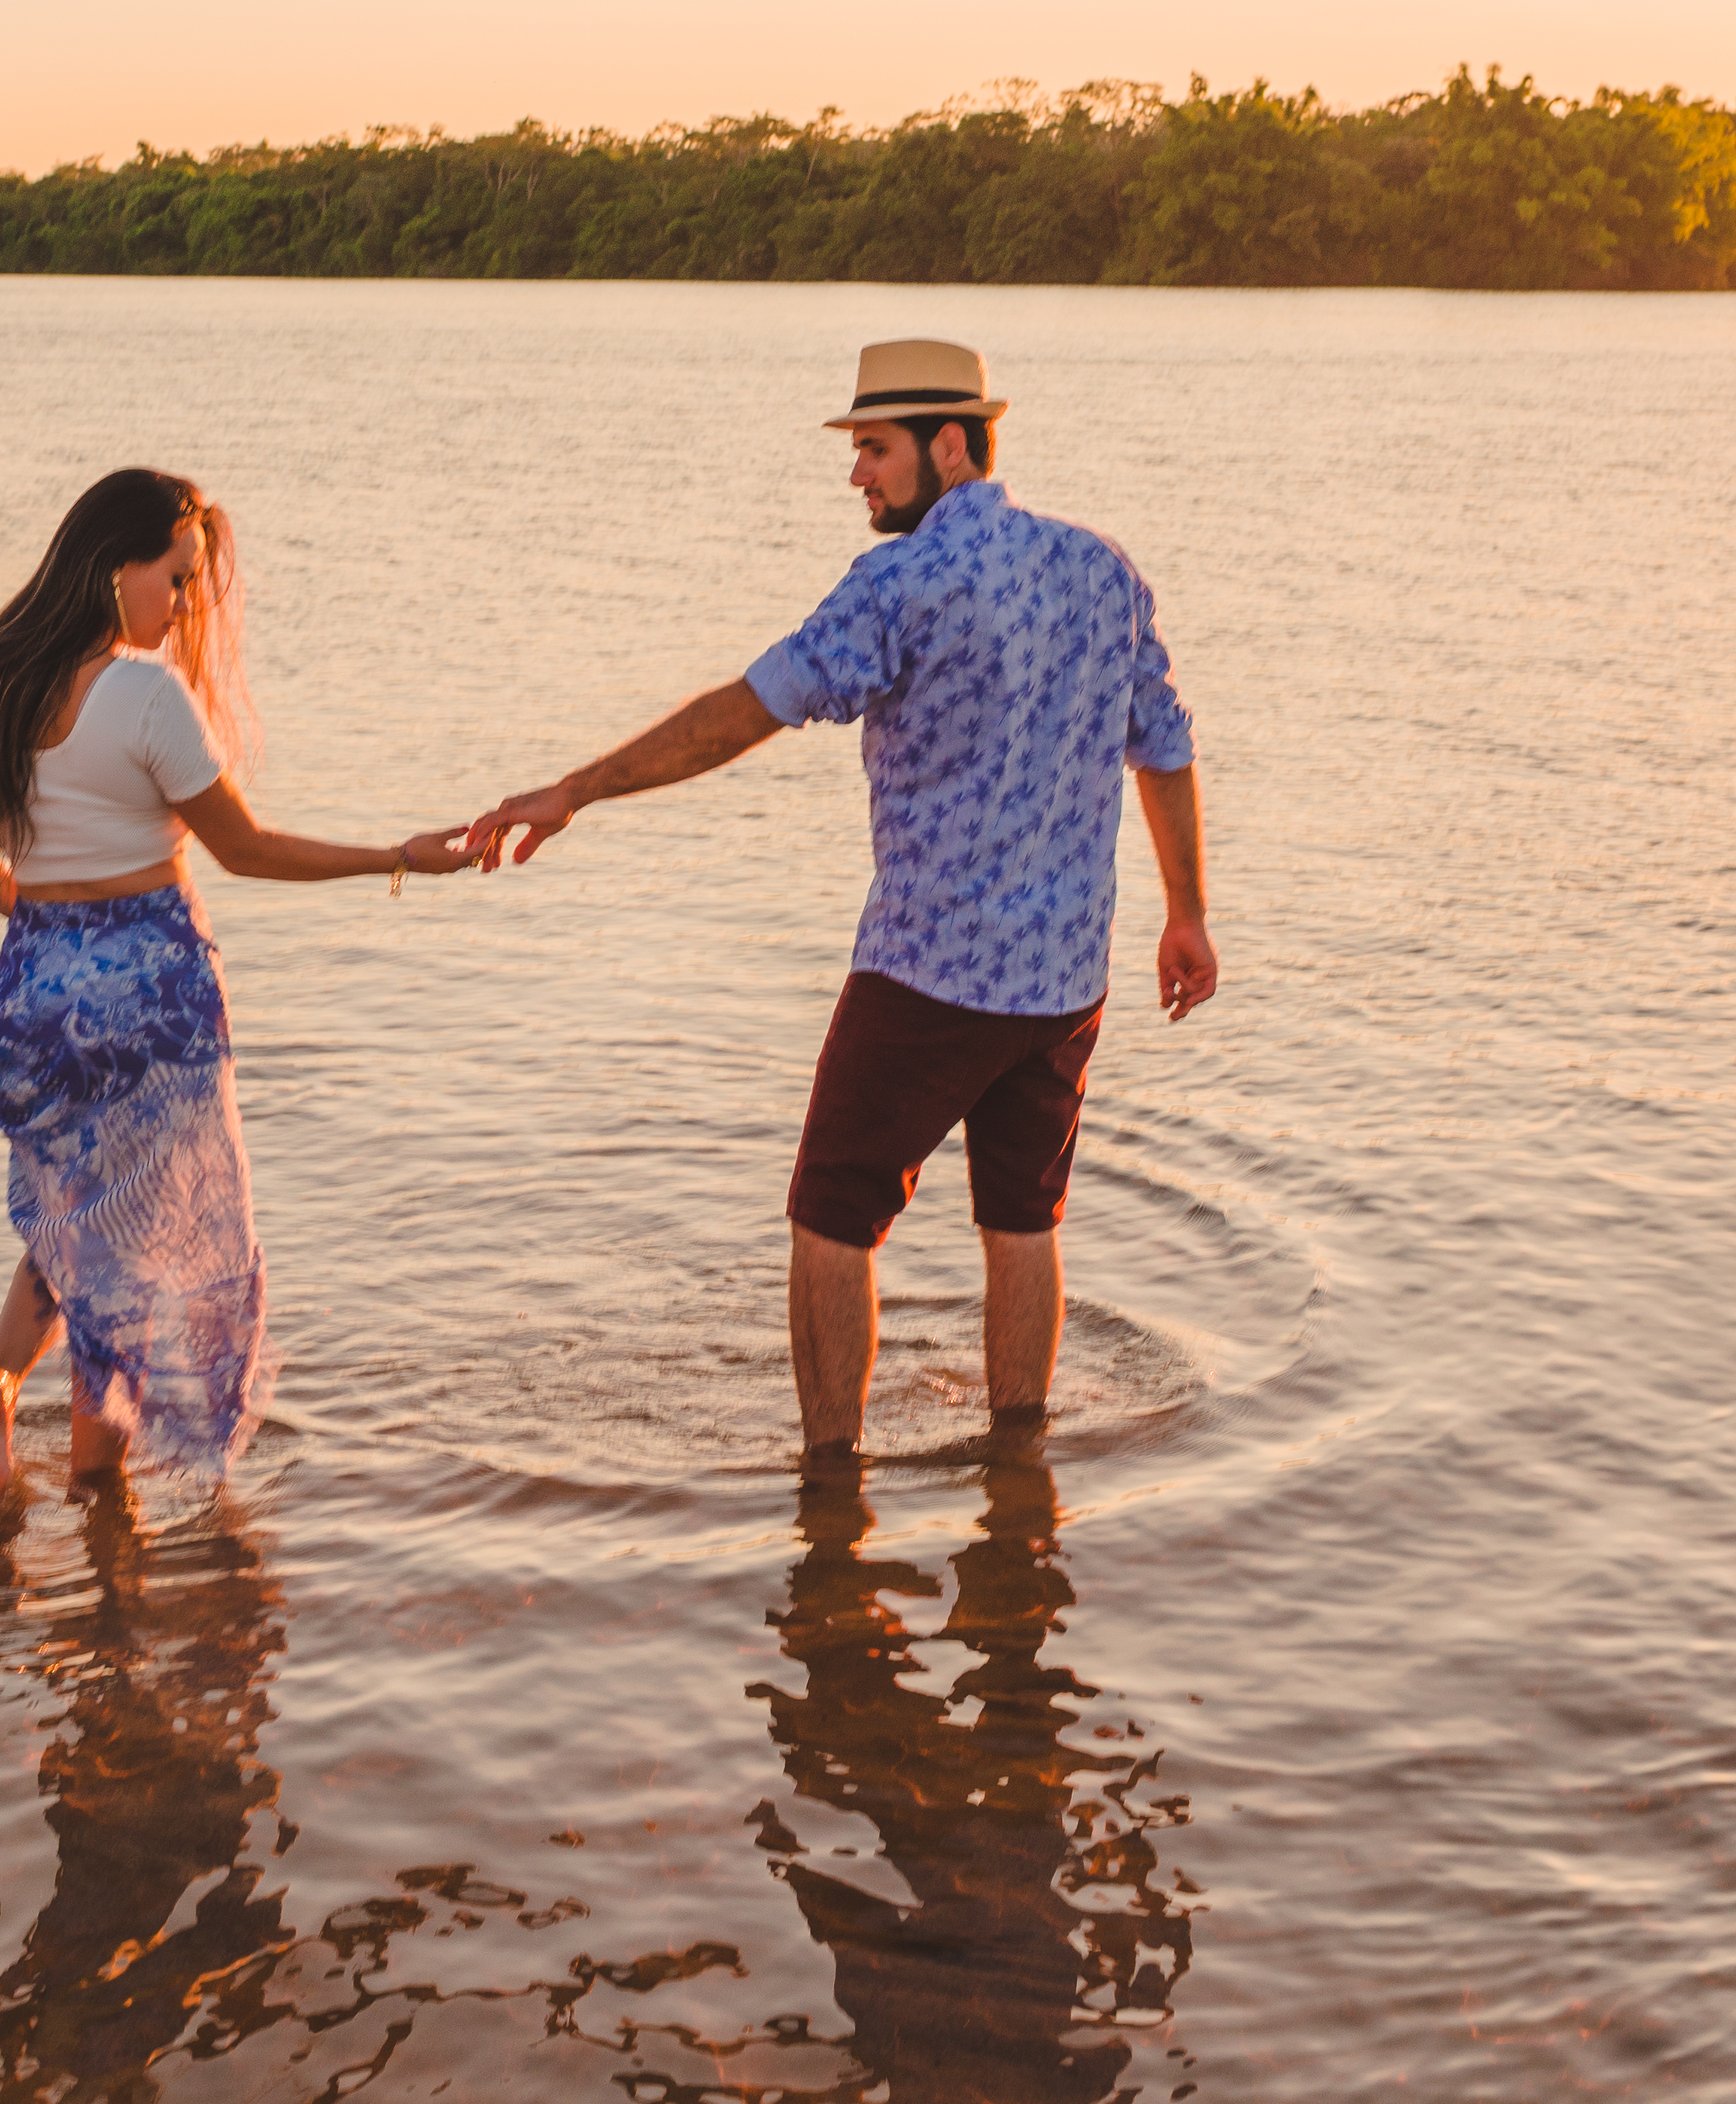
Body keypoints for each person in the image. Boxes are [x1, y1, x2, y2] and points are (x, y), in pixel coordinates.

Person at [465, 341, 1215, 1465]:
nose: (857, 475)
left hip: (929, 969)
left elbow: (749, 708)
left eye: (874, 449)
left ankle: (830, 1480)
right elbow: (1162, 744)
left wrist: (581, 787)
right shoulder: (1102, 569)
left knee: (831, 1215)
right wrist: (1188, 913)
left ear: (948, 447)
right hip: (1064, 977)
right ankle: (1019, 1464)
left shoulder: (901, 584)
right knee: (1022, 1219)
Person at [0, 466, 471, 1500]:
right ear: (114, 568)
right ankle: (95, 1487)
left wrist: (42, 917)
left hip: (35, 985)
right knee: (138, 1244)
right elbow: (246, 852)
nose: (186, 605)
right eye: (175, 578)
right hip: (152, 994)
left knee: (73, 1216)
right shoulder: (141, 694)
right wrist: (397, 856)